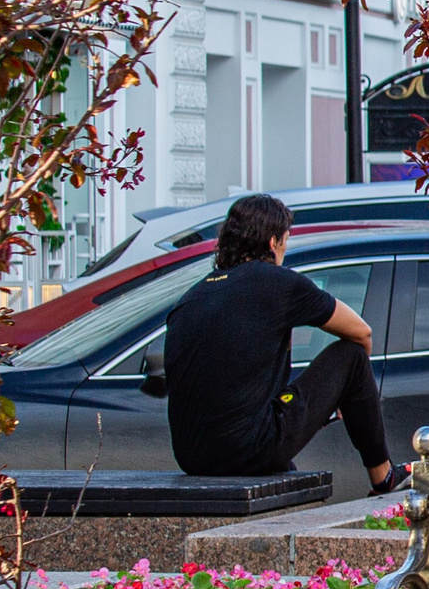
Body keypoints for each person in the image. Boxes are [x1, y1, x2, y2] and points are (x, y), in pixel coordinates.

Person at [163, 193, 406, 491]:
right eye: (285, 242)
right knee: (352, 356)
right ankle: (384, 477)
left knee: (260, 425)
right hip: (248, 450)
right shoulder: (279, 283)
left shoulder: (193, 296)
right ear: (272, 242)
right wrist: (349, 390)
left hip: (190, 456)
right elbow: (361, 332)